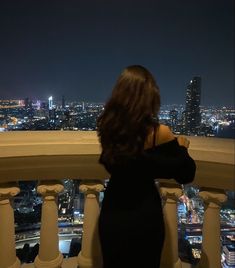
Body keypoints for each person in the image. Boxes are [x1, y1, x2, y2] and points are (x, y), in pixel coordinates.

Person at [97, 65, 196, 268]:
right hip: (144, 214)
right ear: (150, 97)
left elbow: (131, 164)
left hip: (113, 211)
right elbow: (186, 173)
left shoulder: (107, 127)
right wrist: (182, 147)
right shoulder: (159, 132)